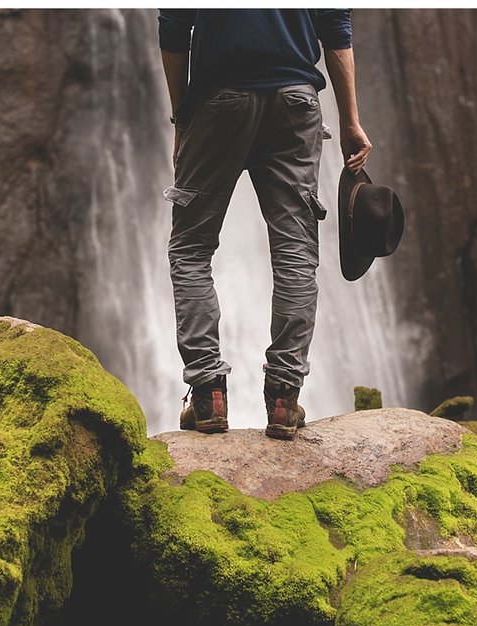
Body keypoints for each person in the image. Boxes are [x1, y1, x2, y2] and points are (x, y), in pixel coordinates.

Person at [159, 9, 371, 439]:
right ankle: (283, 398)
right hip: (295, 101)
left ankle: (207, 397)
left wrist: (182, 117)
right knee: (296, 252)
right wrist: (350, 121)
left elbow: (174, 27)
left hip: (219, 103)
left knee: (191, 249)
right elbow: (336, 29)